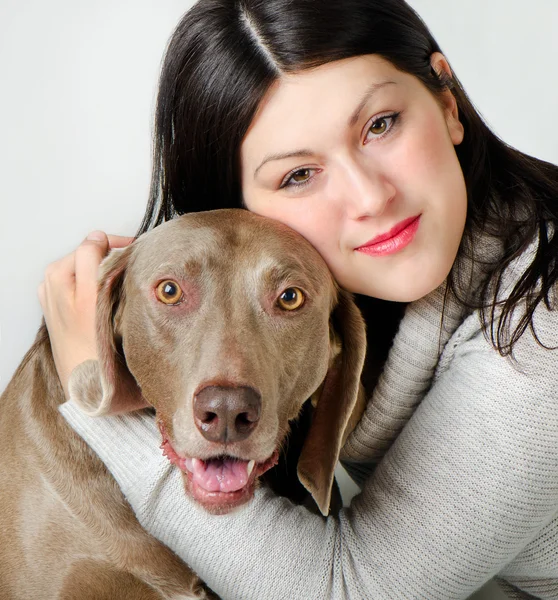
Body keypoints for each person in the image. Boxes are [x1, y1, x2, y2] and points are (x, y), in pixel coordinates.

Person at [38, 0, 558, 598]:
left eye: (380, 124)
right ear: (239, 210)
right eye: (297, 175)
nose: (370, 196)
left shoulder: (539, 337)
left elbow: (351, 591)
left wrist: (90, 386)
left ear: (447, 104)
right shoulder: (316, 296)